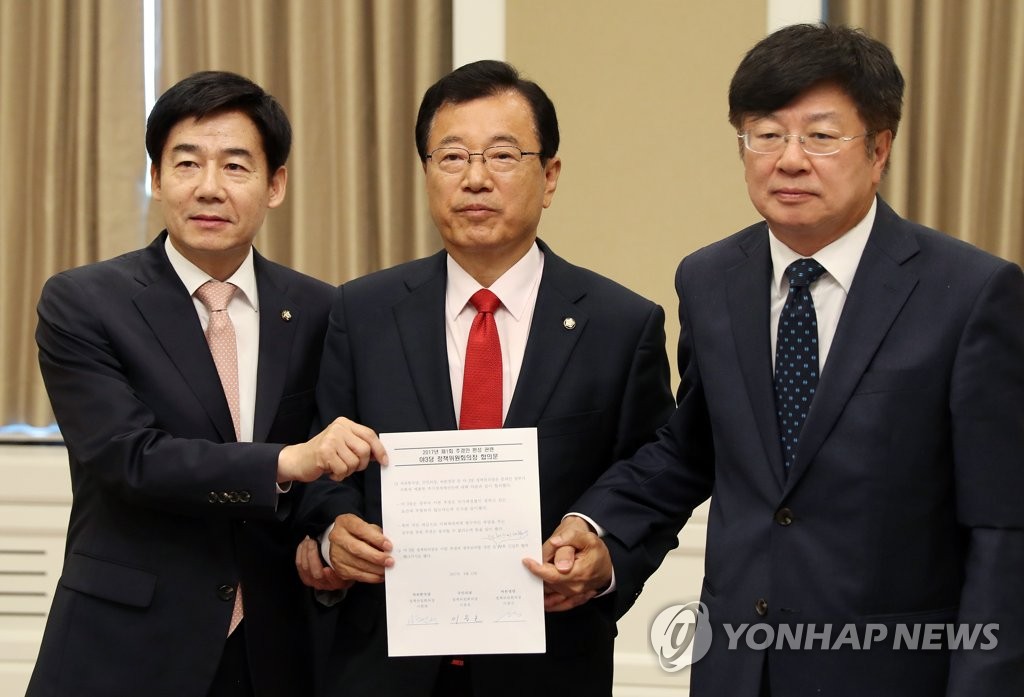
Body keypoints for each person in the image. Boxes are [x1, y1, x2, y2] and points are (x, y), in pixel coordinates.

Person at [537, 23, 1024, 697]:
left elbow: (1003, 528)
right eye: (765, 134)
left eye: (821, 136)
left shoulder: (970, 293)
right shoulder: (710, 280)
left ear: (879, 149)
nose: (789, 160)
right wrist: (600, 527)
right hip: (737, 668)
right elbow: (691, 449)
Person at [293, 59, 676, 697]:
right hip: (380, 665)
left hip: (550, 668)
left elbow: (654, 475)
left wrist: (606, 552)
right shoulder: (360, 312)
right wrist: (333, 532)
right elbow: (321, 459)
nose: (475, 178)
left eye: (502, 155)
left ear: (549, 177)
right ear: (426, 174)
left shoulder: (620, 324)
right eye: (451, 157)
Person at [28, 70, 385, 697]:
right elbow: (127, 457)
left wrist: (329, 535)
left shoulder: (320, 310)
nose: (209, 188)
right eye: (187, 164)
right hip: (126, 644)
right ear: (156, 178)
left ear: (275, 185)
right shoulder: (84, 302)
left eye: (236, 167)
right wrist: (287, 461)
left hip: (276, 644)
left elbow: (331, 466)